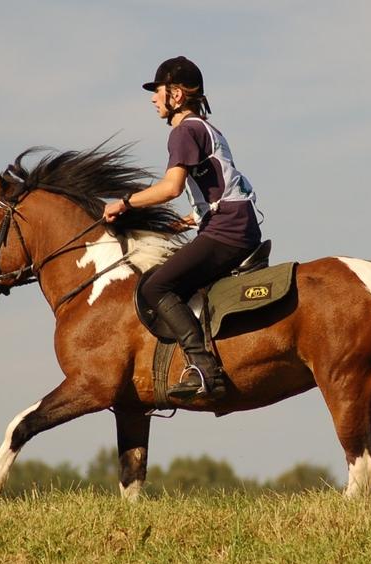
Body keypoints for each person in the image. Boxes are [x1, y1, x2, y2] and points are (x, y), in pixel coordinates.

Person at [104, 56, 262, 400]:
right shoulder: (207, 129)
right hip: (236, 224)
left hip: (228, 230)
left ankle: (204, 369)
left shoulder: (184, 131)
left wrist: (125, 203)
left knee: (156, 287)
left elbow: (171, 187)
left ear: (175, 94)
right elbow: (220, 188)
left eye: (157, 91)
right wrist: (185, 222)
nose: (153, 99)